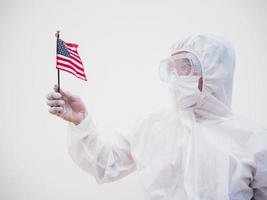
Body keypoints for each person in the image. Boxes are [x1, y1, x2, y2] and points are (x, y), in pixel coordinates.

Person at [46, 33, 267, 200]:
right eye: (173, 67)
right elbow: (104, 164)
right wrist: (80, 121)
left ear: (217, 71)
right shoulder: (150, 127)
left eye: (186, 66)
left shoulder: (253, 141)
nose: (176, 76)